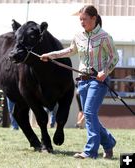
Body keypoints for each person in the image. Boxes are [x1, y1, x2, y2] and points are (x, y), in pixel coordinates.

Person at [40, 5, 119, 159]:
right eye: (80, 19)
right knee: (91, 116)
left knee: (88, 113)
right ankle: (109, 143)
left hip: (98, 81)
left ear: (94, 18)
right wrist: (50, 55)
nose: (81, 22)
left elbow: (114, 57)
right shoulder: (78, 36)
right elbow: (69, 51)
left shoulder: (104, 37)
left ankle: (90, 152)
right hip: (82, 82)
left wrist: (105, 71)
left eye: (84, 19)